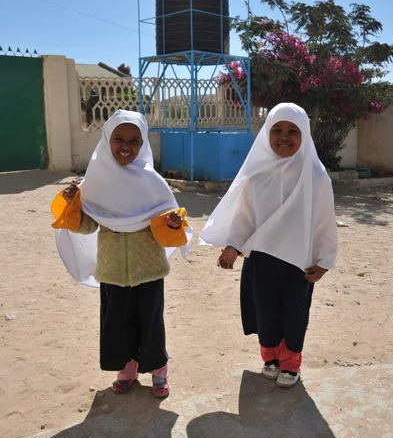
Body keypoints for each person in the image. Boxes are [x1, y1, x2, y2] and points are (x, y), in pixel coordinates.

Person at [51, 110, 192, 398]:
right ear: (106, 140)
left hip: (148, 271)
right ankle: (127, 371)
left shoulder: (153, 182)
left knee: (151, 324)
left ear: (143, 145)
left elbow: (167, 226)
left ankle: (159, 373)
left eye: (134, 141)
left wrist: (173, 223)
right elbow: (87, 225)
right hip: (113, 271)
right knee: (118, 325)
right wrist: (73, 204)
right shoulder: (95, 183)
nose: (125, 146)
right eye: (118, 139)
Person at [199, 103, 338, 388]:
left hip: (299, 261)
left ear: (305, 136)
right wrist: (233, 247)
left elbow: (324, 220)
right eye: (276, 130)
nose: (284, 136)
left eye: (292, 131)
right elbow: (245, 217)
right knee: (265, 311)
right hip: (261, 259)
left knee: (293, 312)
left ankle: (291, 365)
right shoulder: (258, 174)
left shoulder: (315, 175)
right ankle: (271, 360)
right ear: (266, 133)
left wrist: (324, 260)